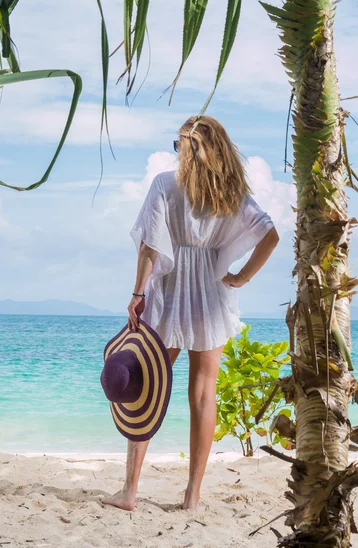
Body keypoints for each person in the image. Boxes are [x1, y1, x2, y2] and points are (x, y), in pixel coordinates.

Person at [102, 115, 279, 512]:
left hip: (168, 289)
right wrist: (242, 277)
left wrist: (136, 293)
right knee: (203, 392)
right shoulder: (230, 193)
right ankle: (192, 497)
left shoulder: (165, 184)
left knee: (146, 385)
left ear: (185, 147)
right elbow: (271, 236)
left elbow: (149, 247)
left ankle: (130, 491)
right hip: (212, 292)